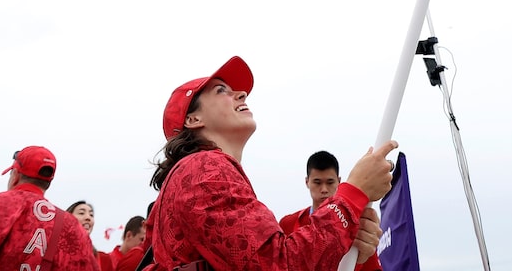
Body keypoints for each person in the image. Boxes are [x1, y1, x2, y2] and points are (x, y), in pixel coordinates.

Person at [144, 56, 396, 271]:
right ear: (193, 118)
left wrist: (348, 249)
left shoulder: (198, 173)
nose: (241, 94)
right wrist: (352, 196)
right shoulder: (203, 168)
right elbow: (279, 264)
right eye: (221, 90)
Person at [279, 152, 382, 271]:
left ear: (339, 181)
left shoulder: (358, 226)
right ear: (307, 182)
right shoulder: (287, 224)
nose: (324, 189)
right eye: (317, 182)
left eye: (330, 182)